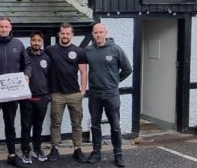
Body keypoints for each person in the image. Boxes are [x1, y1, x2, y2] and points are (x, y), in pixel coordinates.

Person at [0, 16, 32, 167]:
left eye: (6, 26)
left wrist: (27, 76)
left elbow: (27, 64)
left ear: (10, 28)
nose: (4, 29)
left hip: (12, 93)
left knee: (10, 124)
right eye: (1, 26)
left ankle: (12, 154)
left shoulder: (18, 44)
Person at [84, 23, 132, 168]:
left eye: (100, 32)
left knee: (115, 126)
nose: (98, 35)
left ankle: (118, 154)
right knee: (95, 125)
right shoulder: (88, 50)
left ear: (106, 33)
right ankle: (96, 152)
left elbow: (127, 69)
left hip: (111, 94)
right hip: (94, 93)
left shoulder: (116, 49)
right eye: (95, 32)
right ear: (93, 34)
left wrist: (115, 81)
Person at [44, 23, 87, 163]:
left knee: (77, 123)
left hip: (75, 94)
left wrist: (83, 90)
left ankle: (77, 149)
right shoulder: (50, 50)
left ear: (72, 35)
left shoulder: (79, 51)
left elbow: (83, 72)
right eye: (63, 33)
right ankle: (55, 149)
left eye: (68, 33)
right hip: (57, 94)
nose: (65, 36)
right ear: (59, 34)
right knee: (56, 123)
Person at [20, 31, 51, 164]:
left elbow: (50, 76)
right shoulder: (24, 56)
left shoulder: (47, 58)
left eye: (39, 40)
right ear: (30, 41)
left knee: (38, 125)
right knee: (26, 126)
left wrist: (48, 94)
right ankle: (26, 151)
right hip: (27, 98)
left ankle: (37, 149)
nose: (36, 43)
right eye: (34, 40)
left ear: (42, 42)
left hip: (42, 98)